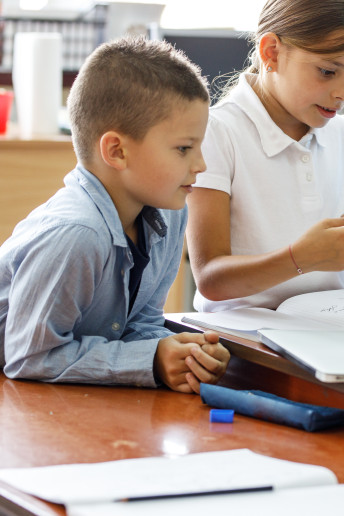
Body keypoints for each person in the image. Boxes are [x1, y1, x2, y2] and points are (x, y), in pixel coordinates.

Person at [0, 38, 230, 394]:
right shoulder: (76, 234)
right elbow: (28, 356)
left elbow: (140, 322)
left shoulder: (169, 216)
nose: (201, 165)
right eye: (184, 149)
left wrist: (179, 353)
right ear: (117, 151)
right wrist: (148, 359)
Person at [186, 0, 344, 312]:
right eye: (328, 71)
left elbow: (312, 220)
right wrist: (301, 258)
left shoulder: (340, 131)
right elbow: (211, 280)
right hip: (246, 336)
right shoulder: (217, 132)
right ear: (272, 52)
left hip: (332, 324)